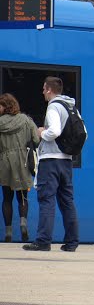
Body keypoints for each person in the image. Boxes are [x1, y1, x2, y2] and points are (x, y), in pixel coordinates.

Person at [24, 77, 83, 252]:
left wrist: (42, 133)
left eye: (43, 89)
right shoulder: (71, 107)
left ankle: (43, 241)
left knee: (46, 200)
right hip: (66, 161)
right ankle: (72, 242)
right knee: (67, 201)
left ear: (49, 89)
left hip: (50, 160)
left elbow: (55, 131)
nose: (42, 92)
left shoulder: (53, 107)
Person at [0, 93, 38, 242]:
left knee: (7, 198)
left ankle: (8, 232)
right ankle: (23, 224)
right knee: (22, 196)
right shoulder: (26, 120)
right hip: (22, 161)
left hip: (4, 162)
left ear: (6, 106)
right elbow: (36, 139)